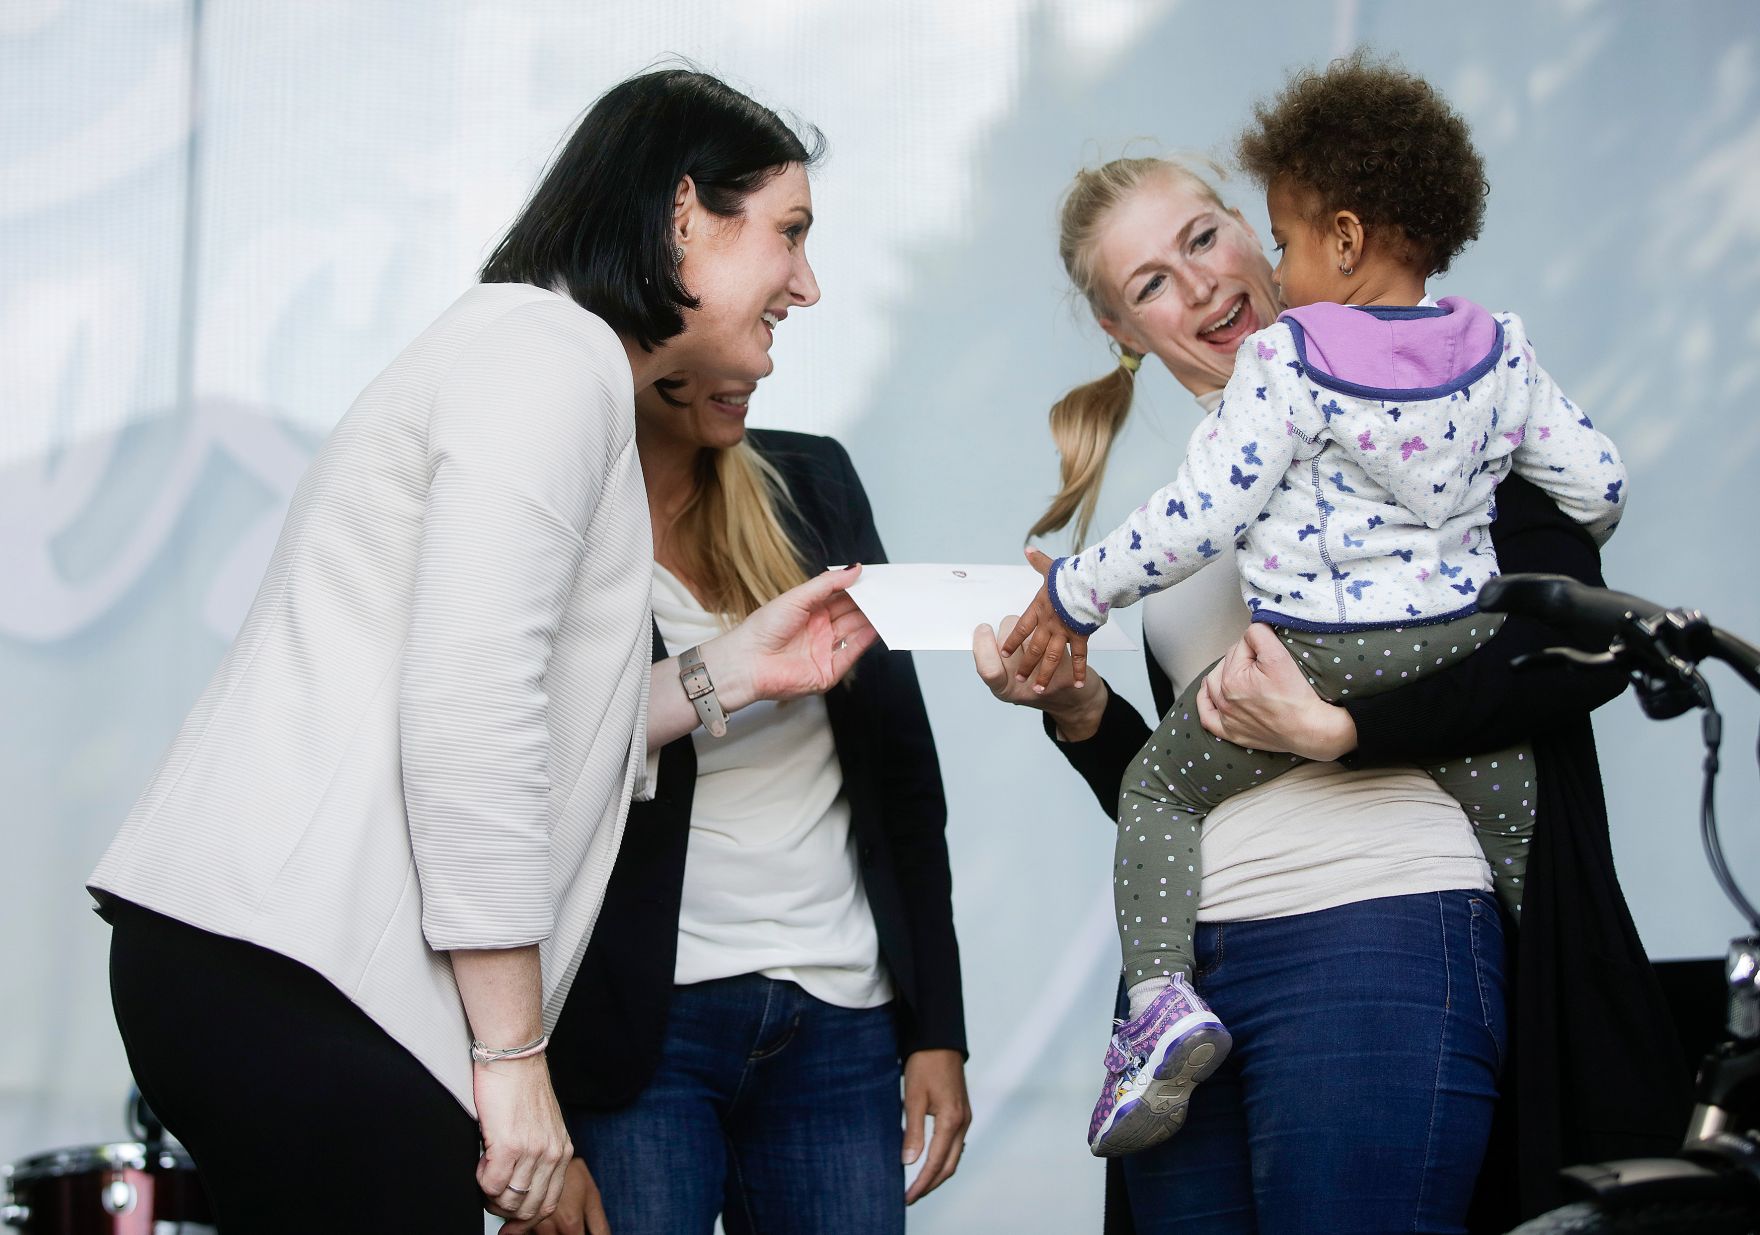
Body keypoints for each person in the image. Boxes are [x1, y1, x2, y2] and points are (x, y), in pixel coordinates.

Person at [86, 69, 866, 1235]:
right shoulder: (551, 355)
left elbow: (523, 697)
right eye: (788, 233)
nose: (804, 282)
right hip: (304, 978)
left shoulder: (521, 347)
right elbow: (468, 710)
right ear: (683, 213)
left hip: (259, 967)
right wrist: (514, 1064)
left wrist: (730, 672)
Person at [974, 149, 1685, 1232]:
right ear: (1124, 333)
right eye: (1149, 282)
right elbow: (1189, 777)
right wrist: (1078, 712)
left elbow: (1560, 651)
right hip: (1193, 977)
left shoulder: (1441, 412)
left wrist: (1345, 727)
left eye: (1204, 236)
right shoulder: (1176, 511)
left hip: (1384, 927)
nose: (1199, 282)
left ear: (1266, 234)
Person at [509, 373, 969, 1235]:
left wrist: (935, 1024)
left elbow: (903, 768)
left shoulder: (815, 482)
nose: (751, 371)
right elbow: (512, 777)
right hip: (640, 1031)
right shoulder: (558, 523)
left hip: (842, 1018)